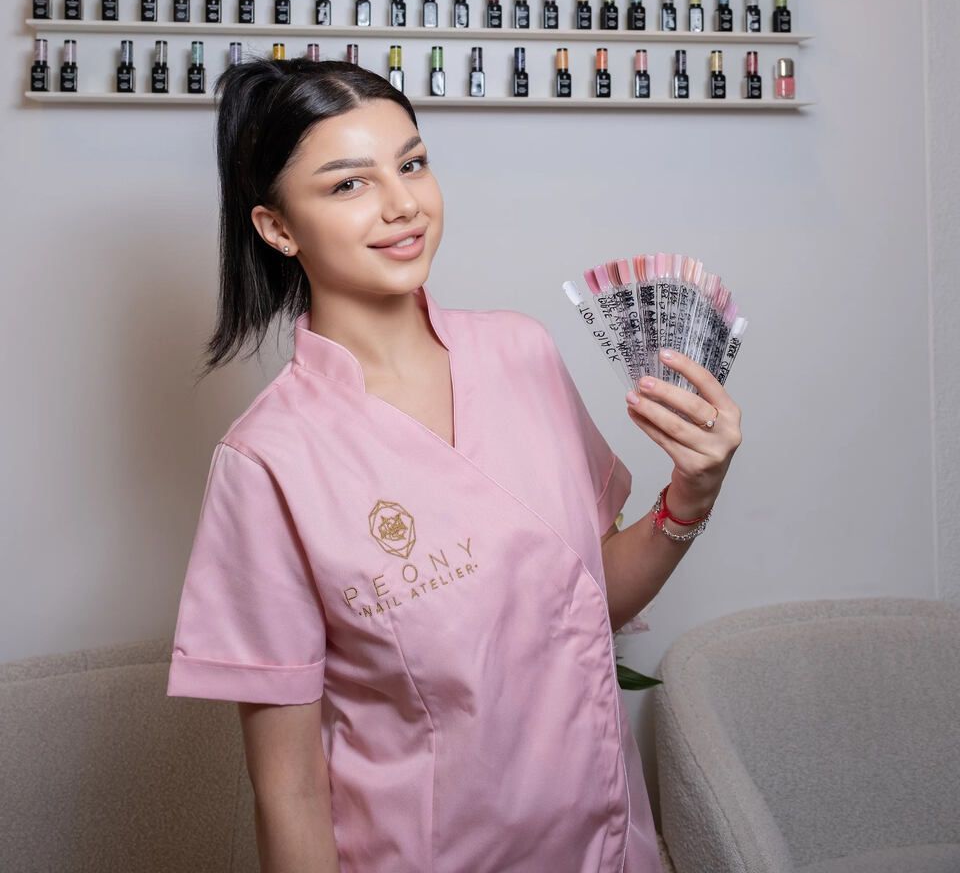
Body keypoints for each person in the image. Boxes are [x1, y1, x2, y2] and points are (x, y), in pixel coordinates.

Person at [166, 56, 742, 873]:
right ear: (277, 228)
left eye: (413, 163)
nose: (404, 205)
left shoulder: (522, 352)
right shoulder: (269, 461)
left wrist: (692, 494)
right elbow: (288, 789)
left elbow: (588, 602)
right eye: (348, 184)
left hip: (611, 849)